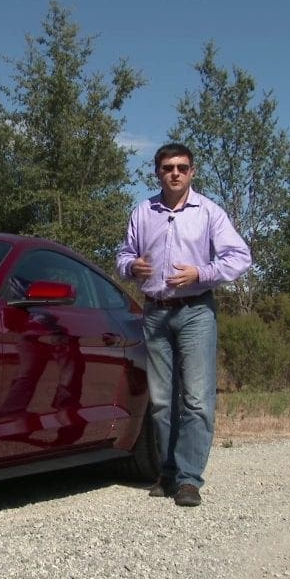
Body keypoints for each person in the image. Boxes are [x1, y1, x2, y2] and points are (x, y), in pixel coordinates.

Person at [116, 142, 251, 507]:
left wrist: (200, 273)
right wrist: (132, 267)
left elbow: (240, 257)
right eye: (167, 167)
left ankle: (189, 479)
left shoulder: (208, 213)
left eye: (182, 167)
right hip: (155, 312)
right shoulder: (143, 212)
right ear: (157, 172)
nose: (174, 173)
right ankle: (168, 471)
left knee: (196, 399)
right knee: (161, 401)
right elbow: (123, 254)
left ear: (192, 172)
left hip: (195, 312)